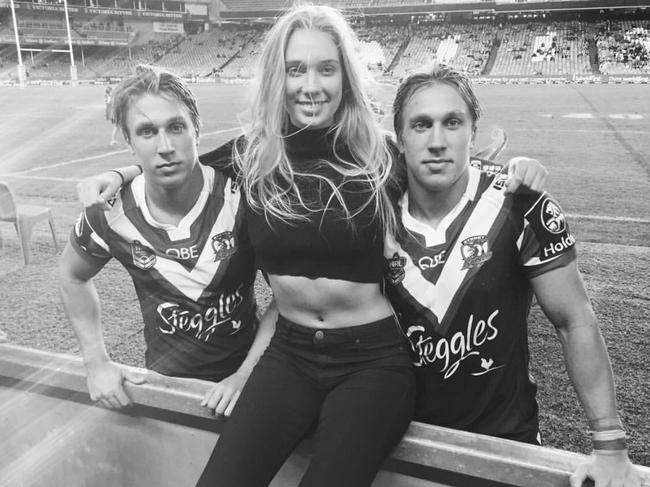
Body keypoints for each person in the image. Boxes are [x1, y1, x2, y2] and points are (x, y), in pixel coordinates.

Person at [75, 10, 547, 487]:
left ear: (345, 75)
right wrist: (120, 174)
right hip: (290, 356)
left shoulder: (378, 154)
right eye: (296, 69)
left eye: (326, 68)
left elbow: (449, 169)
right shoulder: (254, 155)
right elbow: (183, 163)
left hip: (372, 364)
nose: (310, 85)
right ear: (279, 77)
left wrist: (520, 166)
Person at [385, 63, 640, 487]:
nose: (436, 141)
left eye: (452, 122)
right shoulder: (371, 214)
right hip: (402, 443)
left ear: (472, 130)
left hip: (505, 444)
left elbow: (574, 320)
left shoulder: (522, 206)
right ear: (400, 139)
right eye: (420, 124)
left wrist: (609, 444)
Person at [60, 66, 276, 416]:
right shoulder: (109, 211)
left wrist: (245, 376)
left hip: (247, 386)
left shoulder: (244, 199)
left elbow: (289, 297)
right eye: (147, 132)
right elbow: (72, 274)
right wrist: (96, 362)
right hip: (166, 389)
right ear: (129, 141)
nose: (165, 146)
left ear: (196, 130)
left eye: (176, 127)